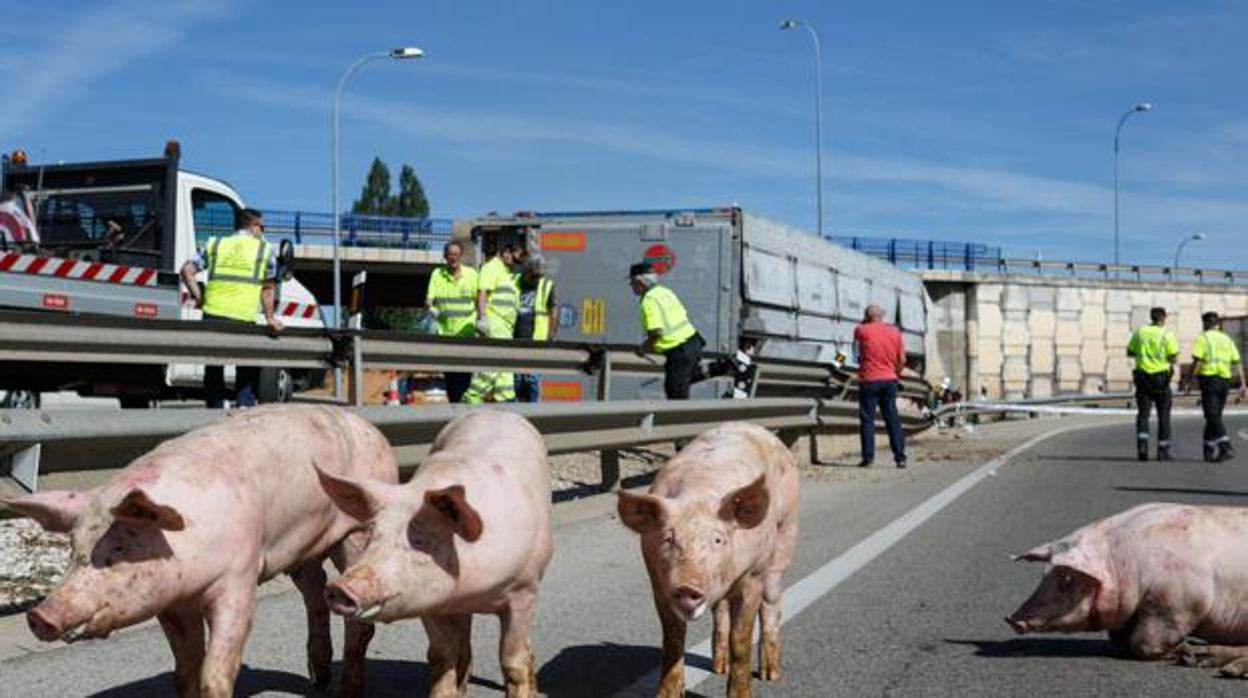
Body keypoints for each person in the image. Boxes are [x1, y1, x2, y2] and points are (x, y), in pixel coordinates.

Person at [179, 207, 282, 408]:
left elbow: (187, 271)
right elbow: (268, 289)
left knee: (214, 363)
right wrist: (270, 317)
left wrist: (199, 297)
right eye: (263, 227)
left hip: (212, 315)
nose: (263, 231)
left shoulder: (215, 244)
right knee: (245, 364)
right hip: (243, 317)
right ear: (253, 227)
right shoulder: (264, 250)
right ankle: (244, 404)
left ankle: (216, 405)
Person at [631, 261, 715, 400]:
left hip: (680, 350)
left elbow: (656, 332)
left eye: (632, 283)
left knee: (675, 391)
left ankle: (680, 420)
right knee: (686, 378)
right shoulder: (665, 291)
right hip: (694, 342)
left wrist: (644, 348)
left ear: (640, 282)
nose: (631, 287)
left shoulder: (649, 300)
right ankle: (720, 367)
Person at [462, 240, 521, 403]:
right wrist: (483, 317)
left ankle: (507, 402)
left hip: (505, 329)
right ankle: (470, 401)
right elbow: (482, 293)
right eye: (514, 258)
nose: (515, 263)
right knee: (491, 369)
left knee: (505, 374)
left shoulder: (506, 272)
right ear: (505, 252)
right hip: (494, 326)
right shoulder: (491, 267)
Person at [1187, 311, 1246, 462]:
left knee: (1211, 415)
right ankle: (1208, 449)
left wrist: (1188, 379)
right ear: (1218, 324)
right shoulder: (1227, 339)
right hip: (1224, 381)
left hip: (1209, 380)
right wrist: (1243, 383)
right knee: (1214, 415)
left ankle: (1225, 446)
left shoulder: (1203, 338)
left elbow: (1197, 361)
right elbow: (1237, 362)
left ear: (1205, 324)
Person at [424, 240, 478, 402]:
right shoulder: (437, 274)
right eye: (450, 255)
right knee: (451, 380)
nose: (453, 258)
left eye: (456, 255)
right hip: (446, 336)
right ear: (444, 257)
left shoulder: (472, 275)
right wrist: (430, 309)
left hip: (466, 336)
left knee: (464, 379)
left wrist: (482, 321)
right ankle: (455, 410)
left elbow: (481, 301)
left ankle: (463, 410)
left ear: (461, 256)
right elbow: (428, 300)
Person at [853, 304, 907, 468]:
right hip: (890, 380)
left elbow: (855, 354)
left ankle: (868, 458)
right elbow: (902, 359)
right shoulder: (895, 332)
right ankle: (900, 457)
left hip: (869, 380)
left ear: (866, 316)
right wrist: (895, 373)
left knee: (867, 420)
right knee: (892, 419)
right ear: (882, 316)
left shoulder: (860, 330)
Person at [1126, 307, 1179, 461]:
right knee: (1164, 416)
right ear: (1164, 318)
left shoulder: (1140, 332)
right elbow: (1173, 357)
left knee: (1143, 414)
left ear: (1151, 317)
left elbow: (1130, 352)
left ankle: (1142, 447)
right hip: (1161, 380)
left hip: (1142, 378)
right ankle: (1163, 451)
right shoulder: (1167, 334)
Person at [513, 256, 557, 402]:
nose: (537, 279)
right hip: (514, 340)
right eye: (534, 275)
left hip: (536, 341)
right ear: (526, 271)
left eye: (539, 275)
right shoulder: (514, 282)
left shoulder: (546, 285)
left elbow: (553, 311)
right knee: (516, 380)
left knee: (532, 380)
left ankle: (534, 413)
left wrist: (551, 334)